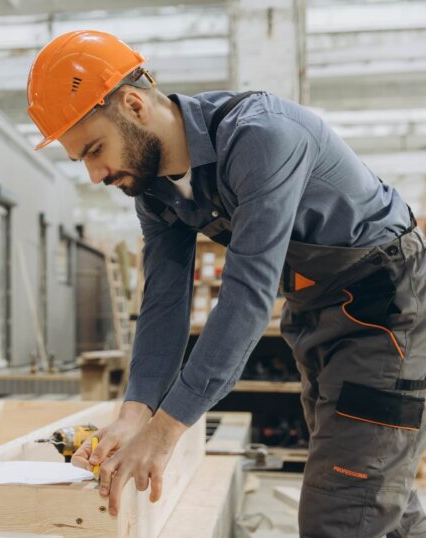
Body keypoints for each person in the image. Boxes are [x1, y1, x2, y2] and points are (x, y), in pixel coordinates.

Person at [27, 30, 426, 536]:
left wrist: (167, 430)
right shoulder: (154, 191)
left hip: (385, 311)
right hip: (315, 312)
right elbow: (164, 301)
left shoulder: (260, 137)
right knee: (377, 492)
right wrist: (135, 412)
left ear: (133, 104)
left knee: (344, 510)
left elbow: (247, 295)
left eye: (95, 149)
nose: (94, 174)